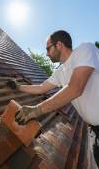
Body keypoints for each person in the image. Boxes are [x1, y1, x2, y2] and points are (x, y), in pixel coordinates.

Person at [8, 30, 99, 167]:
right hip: (94, 130)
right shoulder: (60, 72)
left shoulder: (85, 50)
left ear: (59, 45)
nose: (46, 53)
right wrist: (18, 87)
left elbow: (75, 88)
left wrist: (36, 110)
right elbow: (41, 87)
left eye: (48, 48)